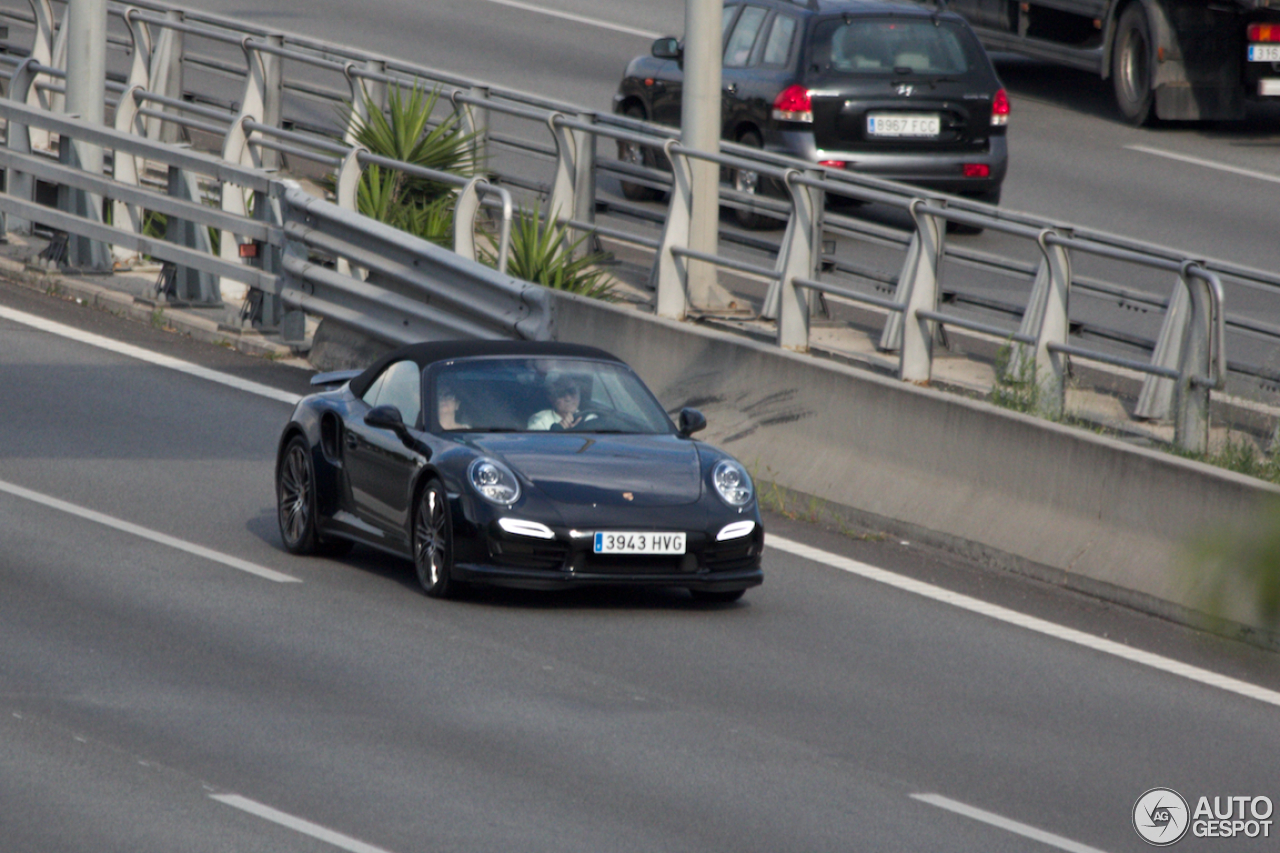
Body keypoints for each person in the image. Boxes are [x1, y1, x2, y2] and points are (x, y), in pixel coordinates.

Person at [527, 376, 595, 431]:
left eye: (572, 391)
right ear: (551, 398)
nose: (568, 398)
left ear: (579, 393)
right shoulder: (540, 422)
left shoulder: (590, 418)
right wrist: (558, 430)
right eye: (561, 393)